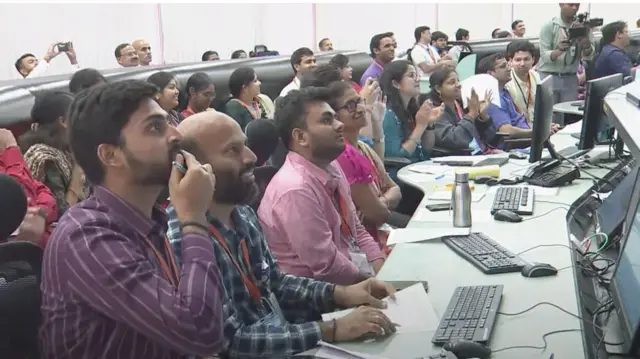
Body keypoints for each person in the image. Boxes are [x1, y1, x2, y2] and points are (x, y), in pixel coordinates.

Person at [168, 111, 398, 357]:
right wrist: (331, 329)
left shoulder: (242, 213)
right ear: (190, 168)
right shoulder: (185, 238)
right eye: (232, 151)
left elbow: (275, 283)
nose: (252, 157)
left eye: (244, 145)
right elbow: (229, 343)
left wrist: (340, 294)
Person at [39, 80, 225, 359]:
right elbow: (200, 331)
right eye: (155, 127)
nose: (176, 135)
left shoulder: (148, 218)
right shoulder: (86, 236)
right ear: (110, 155)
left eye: (167, 122)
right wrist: (194, 219)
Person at [258, 87, 385, 285]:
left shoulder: (330, 165)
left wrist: (382, 271)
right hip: (319, 298)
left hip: (352, 275)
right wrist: (374, 284)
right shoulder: (295, 189)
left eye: (335, 117)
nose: (340, 125)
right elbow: (327, 267)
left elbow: (356, 230)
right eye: (327, 120)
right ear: (301, 137)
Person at [332, 81, 403, 253]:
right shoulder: (344, 154)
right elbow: (378, 215)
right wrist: (383, 203)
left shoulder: (362, 147)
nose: (360, 108)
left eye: (359, 101)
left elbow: (395, 189)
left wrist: (381, 201)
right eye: (350, 105)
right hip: (363, 244)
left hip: (381, 226)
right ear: (334, 117)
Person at [20, 91, 88, 217]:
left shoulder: (65, 151)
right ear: (63, 122)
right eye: (76, 117)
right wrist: (77, 174)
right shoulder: (44, 158)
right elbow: (61, 213)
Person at [0, 128, 57, 246]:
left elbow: (43, 192)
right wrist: (11, 147)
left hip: (46, 247)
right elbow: (14, 204)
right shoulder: (10, 156)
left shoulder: (5, 159)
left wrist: (40, 213)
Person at [380, 60, 442, 164]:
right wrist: (420, 126)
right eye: (411, 75)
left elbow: (426, 150)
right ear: (396, 83)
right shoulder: (388, 115)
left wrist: (429, 124)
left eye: (417, 75)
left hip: (419, 167)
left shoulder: (410, 109)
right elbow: (397, 157)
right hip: (400, 173)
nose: (418, 79)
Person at [426, 68, 498, 155]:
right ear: (438, 89)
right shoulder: (436, 112)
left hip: (483, 153)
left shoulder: (462, 105)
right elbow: (456, 139)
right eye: (452, 82)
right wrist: (471, 114)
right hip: (460, 160)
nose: (458, 85)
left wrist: (483, 116)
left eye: (458, 81)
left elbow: (492, 138)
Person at [538, 3, 595, 112]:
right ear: (561, 4)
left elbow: (590, 56)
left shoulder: (583, 27)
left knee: (569, 113)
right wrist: (559, 51)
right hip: (550, 76)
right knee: (549, 115)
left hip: (571, 78)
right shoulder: (549, 26)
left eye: (577, 5)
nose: (574, 8)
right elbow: (544, 56)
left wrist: (586, 44)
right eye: (570, 4)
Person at [505, 40, 542, 125]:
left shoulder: (535, 76)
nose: (522, 64)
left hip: (535, 124)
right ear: (510, 61)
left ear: (533, 60)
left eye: (526, 59)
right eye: (518, 60)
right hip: (517, 127)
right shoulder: (506, 82)